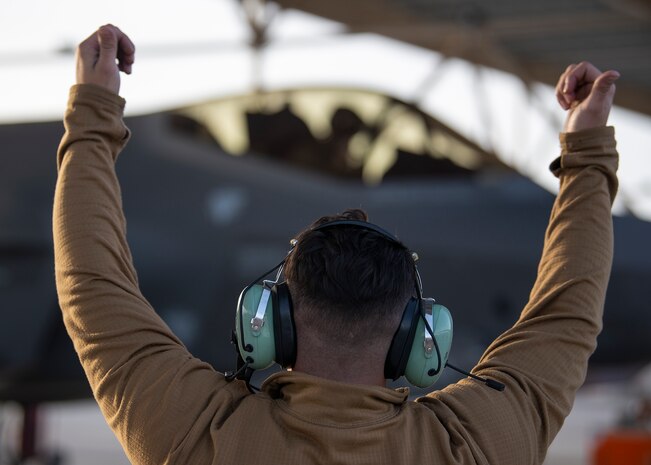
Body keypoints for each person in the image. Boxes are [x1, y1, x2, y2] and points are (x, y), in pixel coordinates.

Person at [53, 24, 620, 464]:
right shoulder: (474, 445)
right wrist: (586, 151)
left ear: (271, 324)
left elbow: (92, 289)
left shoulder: (195, 435)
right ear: (415, 339)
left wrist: (92, 113)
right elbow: (567, 315)